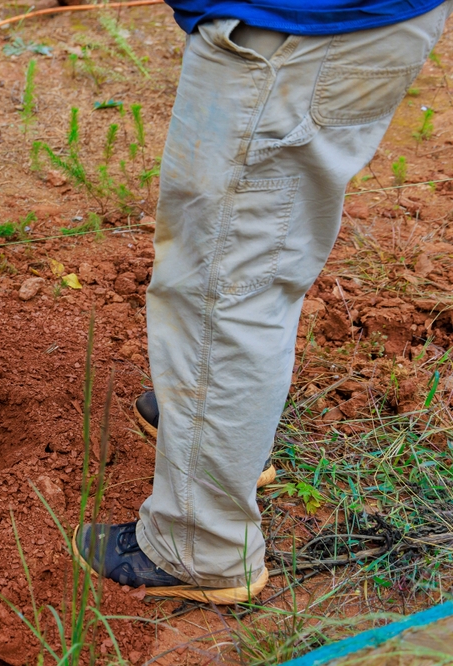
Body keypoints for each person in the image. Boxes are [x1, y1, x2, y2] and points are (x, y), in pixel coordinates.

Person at [75, 0, 453, 604]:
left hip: (290, 40)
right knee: (256, 264)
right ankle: (214, 440)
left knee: (222, 291)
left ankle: (200, 546)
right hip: (339, 28)